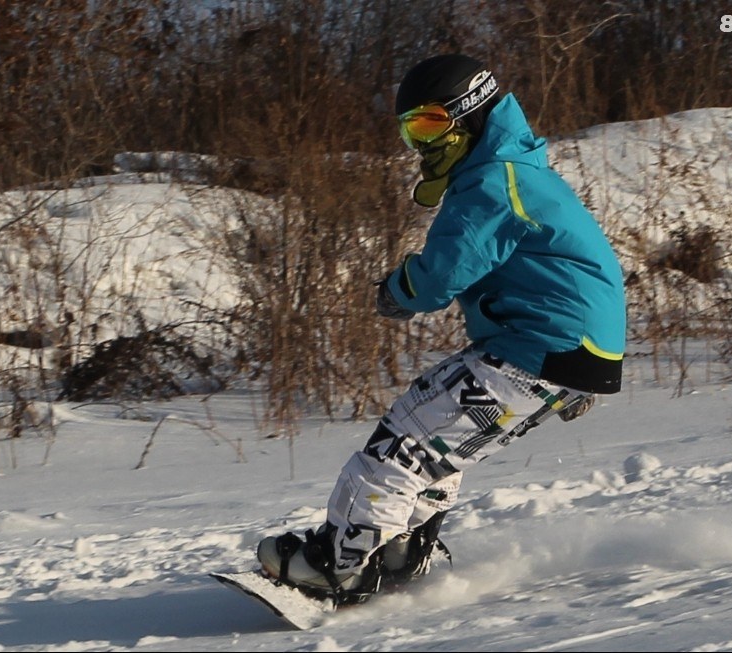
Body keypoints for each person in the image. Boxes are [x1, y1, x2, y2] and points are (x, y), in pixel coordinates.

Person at [257, 53, 626, 605]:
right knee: (431, 441)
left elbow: (442, 275)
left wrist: (396, 290)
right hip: (562, 347)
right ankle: (402, 549)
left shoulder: (494, 183)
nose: (419, 143)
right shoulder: (512, 170)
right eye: (409, 130)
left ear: (467, 115)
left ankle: (338, 566)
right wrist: (581, 373)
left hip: (544, 343)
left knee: (403, 443)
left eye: (428, 124)